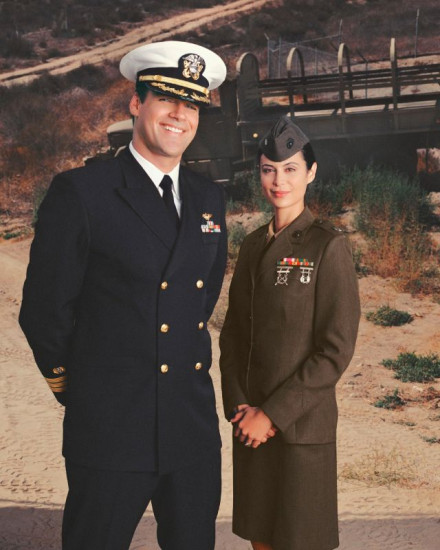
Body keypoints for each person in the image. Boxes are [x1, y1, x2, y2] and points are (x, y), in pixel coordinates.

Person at [19, 41, 227, 550]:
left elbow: (200, 302)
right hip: (112, 426)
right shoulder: (83, 192)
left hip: (190, 427)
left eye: (191, 105)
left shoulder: (207, 197)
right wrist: (84, 389)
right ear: (137, 103)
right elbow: (44, 310)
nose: (179, 115)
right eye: (166, 99)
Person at [219, 115, 360, 550]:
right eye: (268, 170)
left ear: (311, 173)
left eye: (290, 169)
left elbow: (334, 350)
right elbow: (233, 335)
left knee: (299, 542)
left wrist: (272, 415)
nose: (279, 181)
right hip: (251, 425)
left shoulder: (327, 245)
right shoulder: (251, 245)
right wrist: (240, 406)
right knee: (260, 540)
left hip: (299, 427)